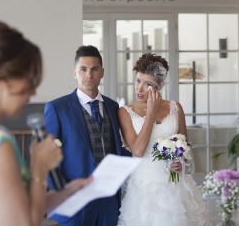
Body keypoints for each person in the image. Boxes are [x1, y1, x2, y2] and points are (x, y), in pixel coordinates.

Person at [0, 19, 92, 226]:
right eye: (30, 80)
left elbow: (10, 207)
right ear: (4, 80)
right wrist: (39, 170)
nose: (33, 91)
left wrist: (67, 192)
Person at [117, 53, 208, 226]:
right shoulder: (125, 112)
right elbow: (137, 150)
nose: (140, 89)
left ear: (160, 85)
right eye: (138, 81)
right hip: (144, 188)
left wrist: (180, 162)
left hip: (175, 187)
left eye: (148, 84)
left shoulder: (175, 108)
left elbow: (185, 147)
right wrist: (151, 112)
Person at [44, 45, 131, 226]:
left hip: (108, 201)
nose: (89, 75)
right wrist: (60, 196)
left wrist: (152, 157)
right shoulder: (57, 108)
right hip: (74, 203)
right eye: (83, 69)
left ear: (102, 72)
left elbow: (118, 149)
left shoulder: (113, 107)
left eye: (94, 69)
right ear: (74, 72)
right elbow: (47, 160)